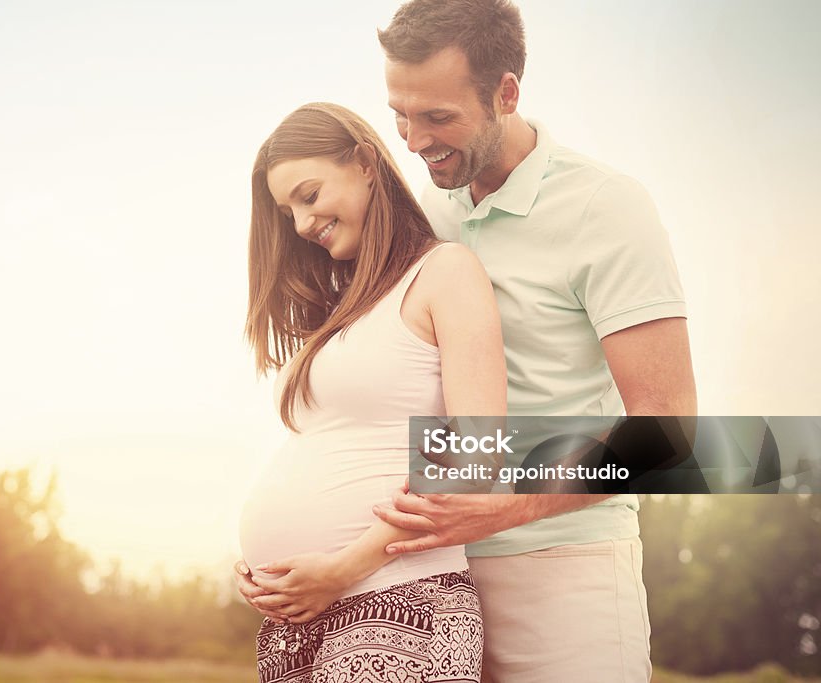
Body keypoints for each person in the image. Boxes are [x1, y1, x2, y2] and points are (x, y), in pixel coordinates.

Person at [369, 1, 698, 681]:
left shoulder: (604, 206)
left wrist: (507, 503)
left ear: (506, 92)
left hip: (566, 572)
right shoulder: (424, 213)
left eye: (437, 117)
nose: (412, 139)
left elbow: (669, 431)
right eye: (401, 112)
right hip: (432, 576)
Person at [239, 102, 505, 682]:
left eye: (308, 196)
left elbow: (477, 452)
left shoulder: (445, 272)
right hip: (304, 620)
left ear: (363, 163)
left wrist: (341, 567)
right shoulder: (344, 310)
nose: (302, 224)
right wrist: (270, 568)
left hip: (400, 603)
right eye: (288, 212)